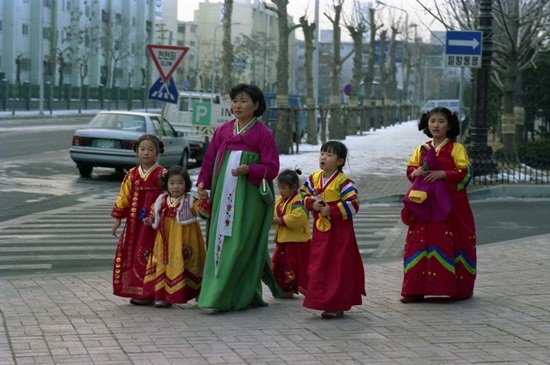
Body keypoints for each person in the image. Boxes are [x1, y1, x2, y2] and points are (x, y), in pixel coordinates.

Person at [196, 83, 283, 311]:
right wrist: (203, 183)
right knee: (220, 242)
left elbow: (271, 168)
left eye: (244, 101)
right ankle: (216, 294)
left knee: (241, 244)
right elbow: (210, 159)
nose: (238, 105)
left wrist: (249, 170)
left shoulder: (264, 134)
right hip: (222, 197)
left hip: (249, 200)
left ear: (256, 105)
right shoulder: (223, 130)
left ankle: (236, 294)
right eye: (235, 100)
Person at [400, 107, 476, 303]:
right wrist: (415, 173)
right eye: (432, 120)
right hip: (424, 206)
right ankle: (414, 290)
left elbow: (466, 174)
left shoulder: (456, 149)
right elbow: (410, 170)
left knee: (451, 241)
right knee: (418, 244)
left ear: (449, 126)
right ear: (427, 124)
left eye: (441, 121)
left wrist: (443, 174)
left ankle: (455, 289)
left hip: (450, 208)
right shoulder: (422, 149)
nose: (436, 125)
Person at [301, 141, 366, 319]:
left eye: (329, 155)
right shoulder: (313, 178)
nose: (323, 157)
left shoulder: (344, 182)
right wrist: (311, 204)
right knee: (319, 265)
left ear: (340, 161)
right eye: (322, 153)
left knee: (338, 266)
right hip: (321, 232)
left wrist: (333, 210)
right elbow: (303, 195)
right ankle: (320, 300)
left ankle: (337, 304)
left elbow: (354, 204)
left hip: (340, 234)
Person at [142, 166, 211, 308]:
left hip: (186, 239)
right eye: (172, 183)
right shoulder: (162, 200)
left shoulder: (190, 200)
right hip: (165, 240)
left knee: (187, 264)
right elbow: (153, 213)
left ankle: (192, 293)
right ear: (166, 184)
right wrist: (150, 220)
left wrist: (205, 202)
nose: (176, 186)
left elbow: (204, 214)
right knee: (163, 263)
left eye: (180, 183)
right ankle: (162, 296)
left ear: (186, 184)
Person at [111, 134, 166, 305]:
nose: (146, 153)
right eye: (142, 149)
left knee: (153, 253)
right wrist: (119, 217)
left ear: (157, 152)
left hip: (155, 222)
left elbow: (167, 196)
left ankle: (154, 292)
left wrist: (158, 214)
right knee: (134, 252)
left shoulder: (163, 174)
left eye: (150, 150)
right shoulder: (132, 174)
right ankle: (138, 290)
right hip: (135, 223)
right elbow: (124, 196)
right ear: (136, 152)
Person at [271, 168, 311, 298]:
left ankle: (289, 289)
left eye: (283, 188)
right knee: (278, 265)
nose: (280, 191)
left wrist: (279, 220)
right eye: (279, 188)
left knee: (291, 267)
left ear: (294, 187)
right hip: (283, 240)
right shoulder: (280, 201)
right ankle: (284, 288)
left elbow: (298, 218)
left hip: (296, 241)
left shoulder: (298, 201)